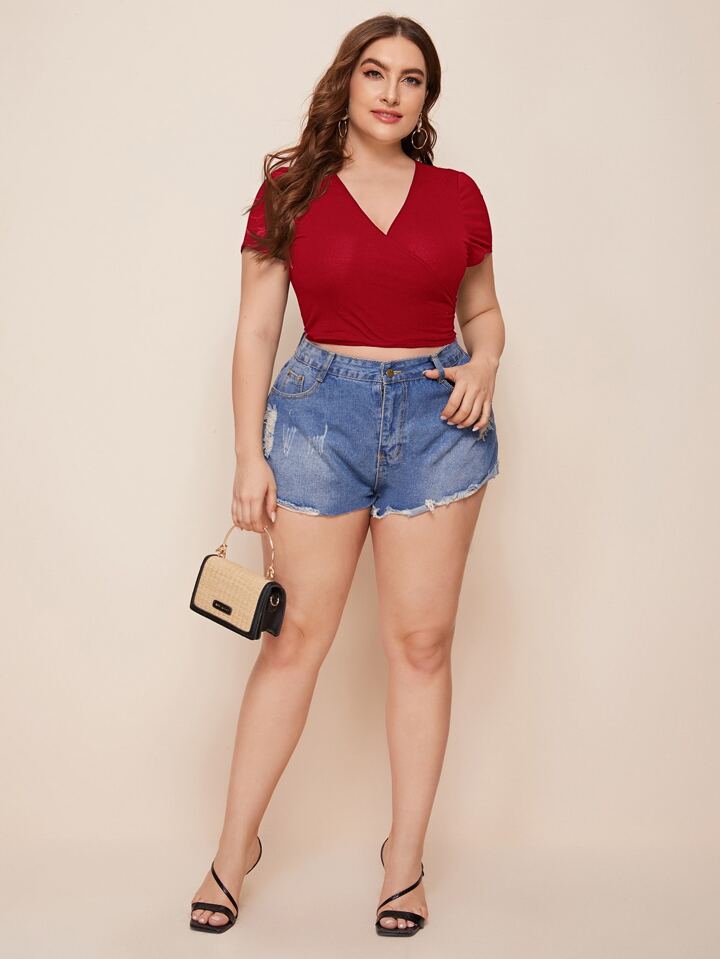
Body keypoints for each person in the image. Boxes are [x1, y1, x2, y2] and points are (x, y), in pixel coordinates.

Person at [190, 13, 505, 938]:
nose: (391, 92)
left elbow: (484, 313)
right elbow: (256, 328)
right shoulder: (291, 187)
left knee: (422, 645)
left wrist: (486, 362)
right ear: (348, 79)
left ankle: (404, 863)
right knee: (295, 641)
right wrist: (247, 454)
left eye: (412, 78)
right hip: (318, 419)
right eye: (376, 71)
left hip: (439, 423)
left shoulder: (458, 196)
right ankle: (232, 851)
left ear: (427, 98)